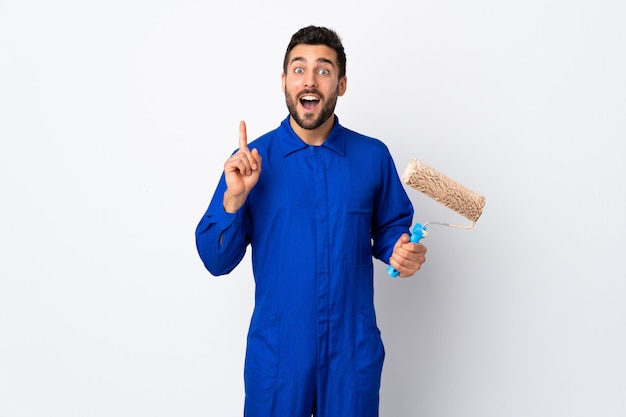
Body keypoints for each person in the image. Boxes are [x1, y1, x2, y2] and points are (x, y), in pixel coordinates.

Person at [195, 25, 427, 417]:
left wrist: (402, 253)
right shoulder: (253, 162)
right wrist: (234, 197)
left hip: (351, 356)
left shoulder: (371, 157)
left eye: (324, 70)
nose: (311, 80)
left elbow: (391, 232)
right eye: (299, 69)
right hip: (279, 357)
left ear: (342, 83)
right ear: (284, 81)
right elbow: (217, 261)